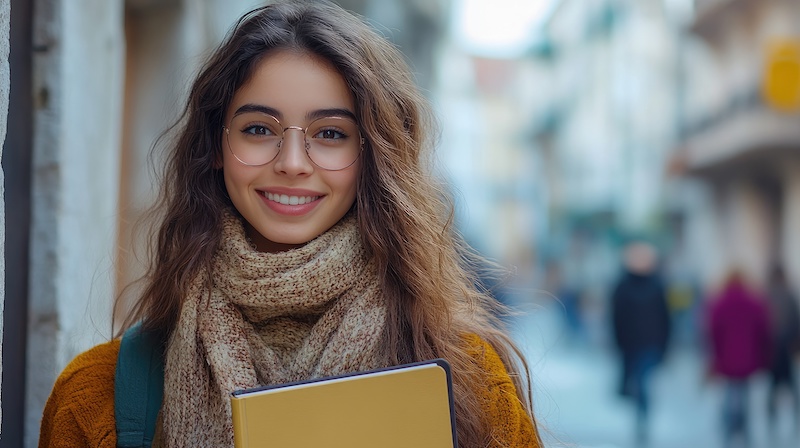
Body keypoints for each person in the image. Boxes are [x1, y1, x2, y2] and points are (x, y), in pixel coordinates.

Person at [37, 2, 542, 447]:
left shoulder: (473, 382)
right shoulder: (97, 395)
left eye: (330, 133)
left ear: (374, 157)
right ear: (216, 146)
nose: (293, 162)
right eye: (259, 129)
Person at [610, 241, 671, 445]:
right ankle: (640, 412)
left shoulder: (657, 284)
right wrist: (617, 341)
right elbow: (616, 316)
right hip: (630, 344)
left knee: (643, 382)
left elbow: (665, 317)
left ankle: (642, 418)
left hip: (651, 344)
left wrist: (666, 344)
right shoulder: (623, 285)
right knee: (636, 382)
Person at [705, 269, 772, 448]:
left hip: (726, 356)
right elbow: (764, 330)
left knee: (730, 392)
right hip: (749, 356)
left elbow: (712, 331)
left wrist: (715, 356)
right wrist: (763, 355)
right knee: (744, 393)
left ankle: (730, 428)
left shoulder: (720, 302)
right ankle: (743, 428)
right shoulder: (755, 302)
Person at [764, 264, 800, 432]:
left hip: (773, 348)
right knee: (791, 386)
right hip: (785, 346)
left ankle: (772, 421)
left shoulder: (767, 296)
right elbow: (796, 322)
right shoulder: (789, 295)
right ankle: (794, 419)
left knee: (773, 387)